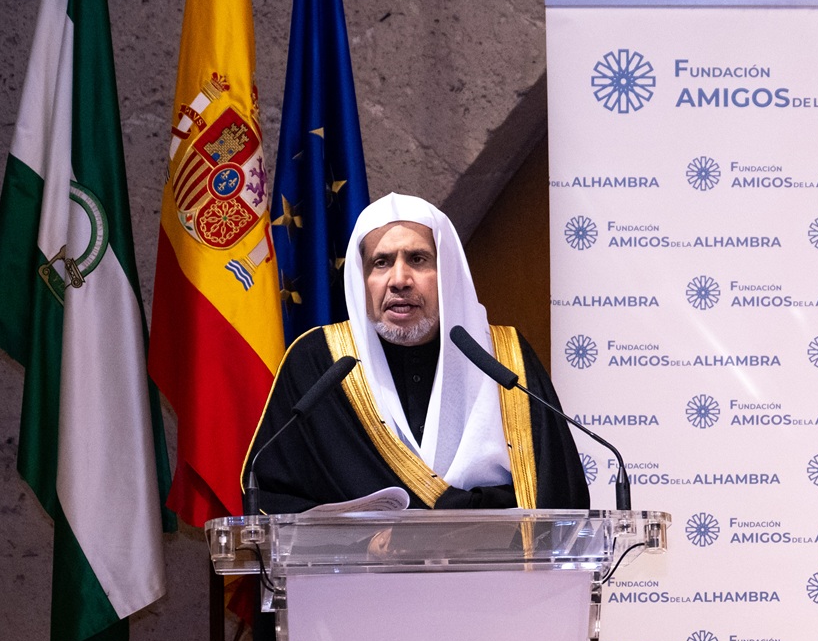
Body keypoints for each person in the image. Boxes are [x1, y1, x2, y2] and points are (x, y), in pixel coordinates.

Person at [243, 192, 589, 513]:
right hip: (356, 578)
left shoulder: (503, 358)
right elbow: (270, 496)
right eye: (381, 262)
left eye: (418, 259)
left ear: (447, 274)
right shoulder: (319, 361)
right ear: (360, 279)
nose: (399, 279)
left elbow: (561, 497)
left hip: (494, 572)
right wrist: (358, 539)